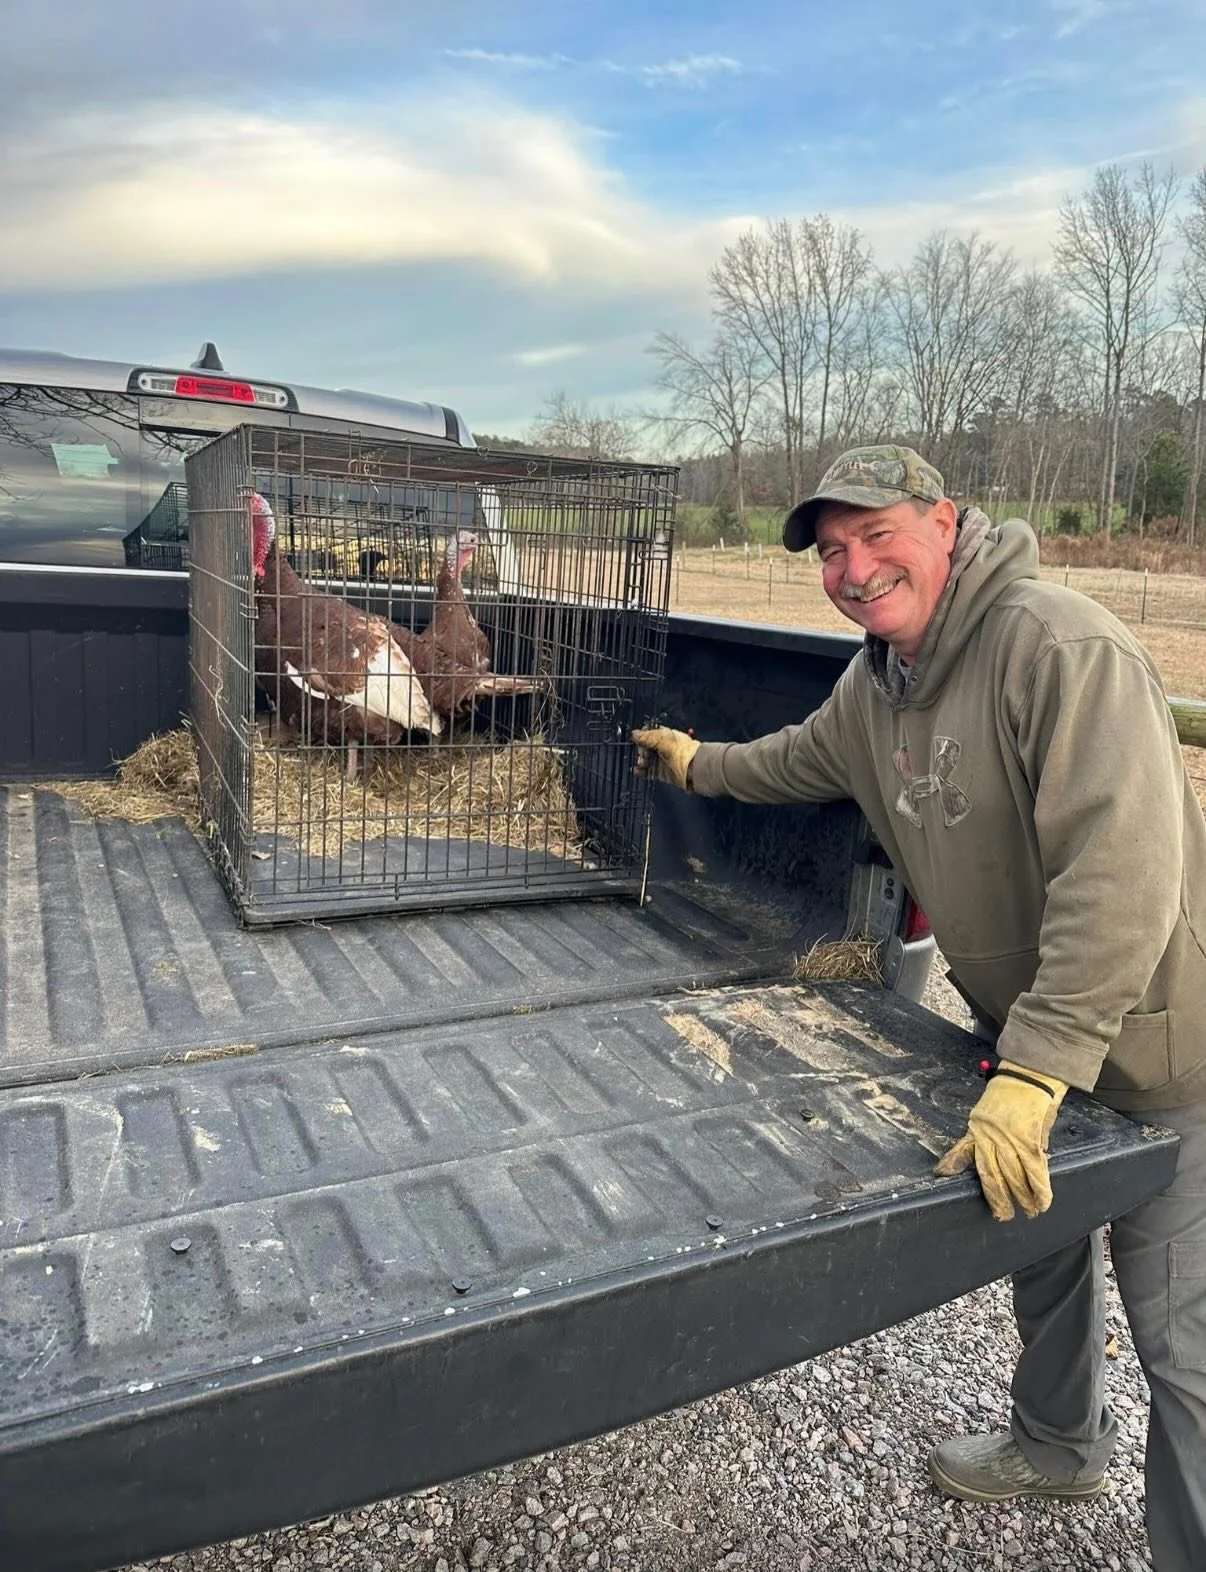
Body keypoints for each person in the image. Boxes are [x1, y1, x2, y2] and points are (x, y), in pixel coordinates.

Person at [633, 445, 1206, 1572]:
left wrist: (1036, 1071)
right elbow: (794, 760)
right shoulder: (879, 687)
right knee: (1042, 1249)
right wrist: (697, 765)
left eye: (876, 535)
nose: (853, 569)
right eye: (831, 551)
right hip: (1025, 1036)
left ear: (945, 523)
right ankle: (1056, 1445)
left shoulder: (1057, 647)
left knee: (1182, 1335)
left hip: (1161, 1050)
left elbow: (1122, 875)